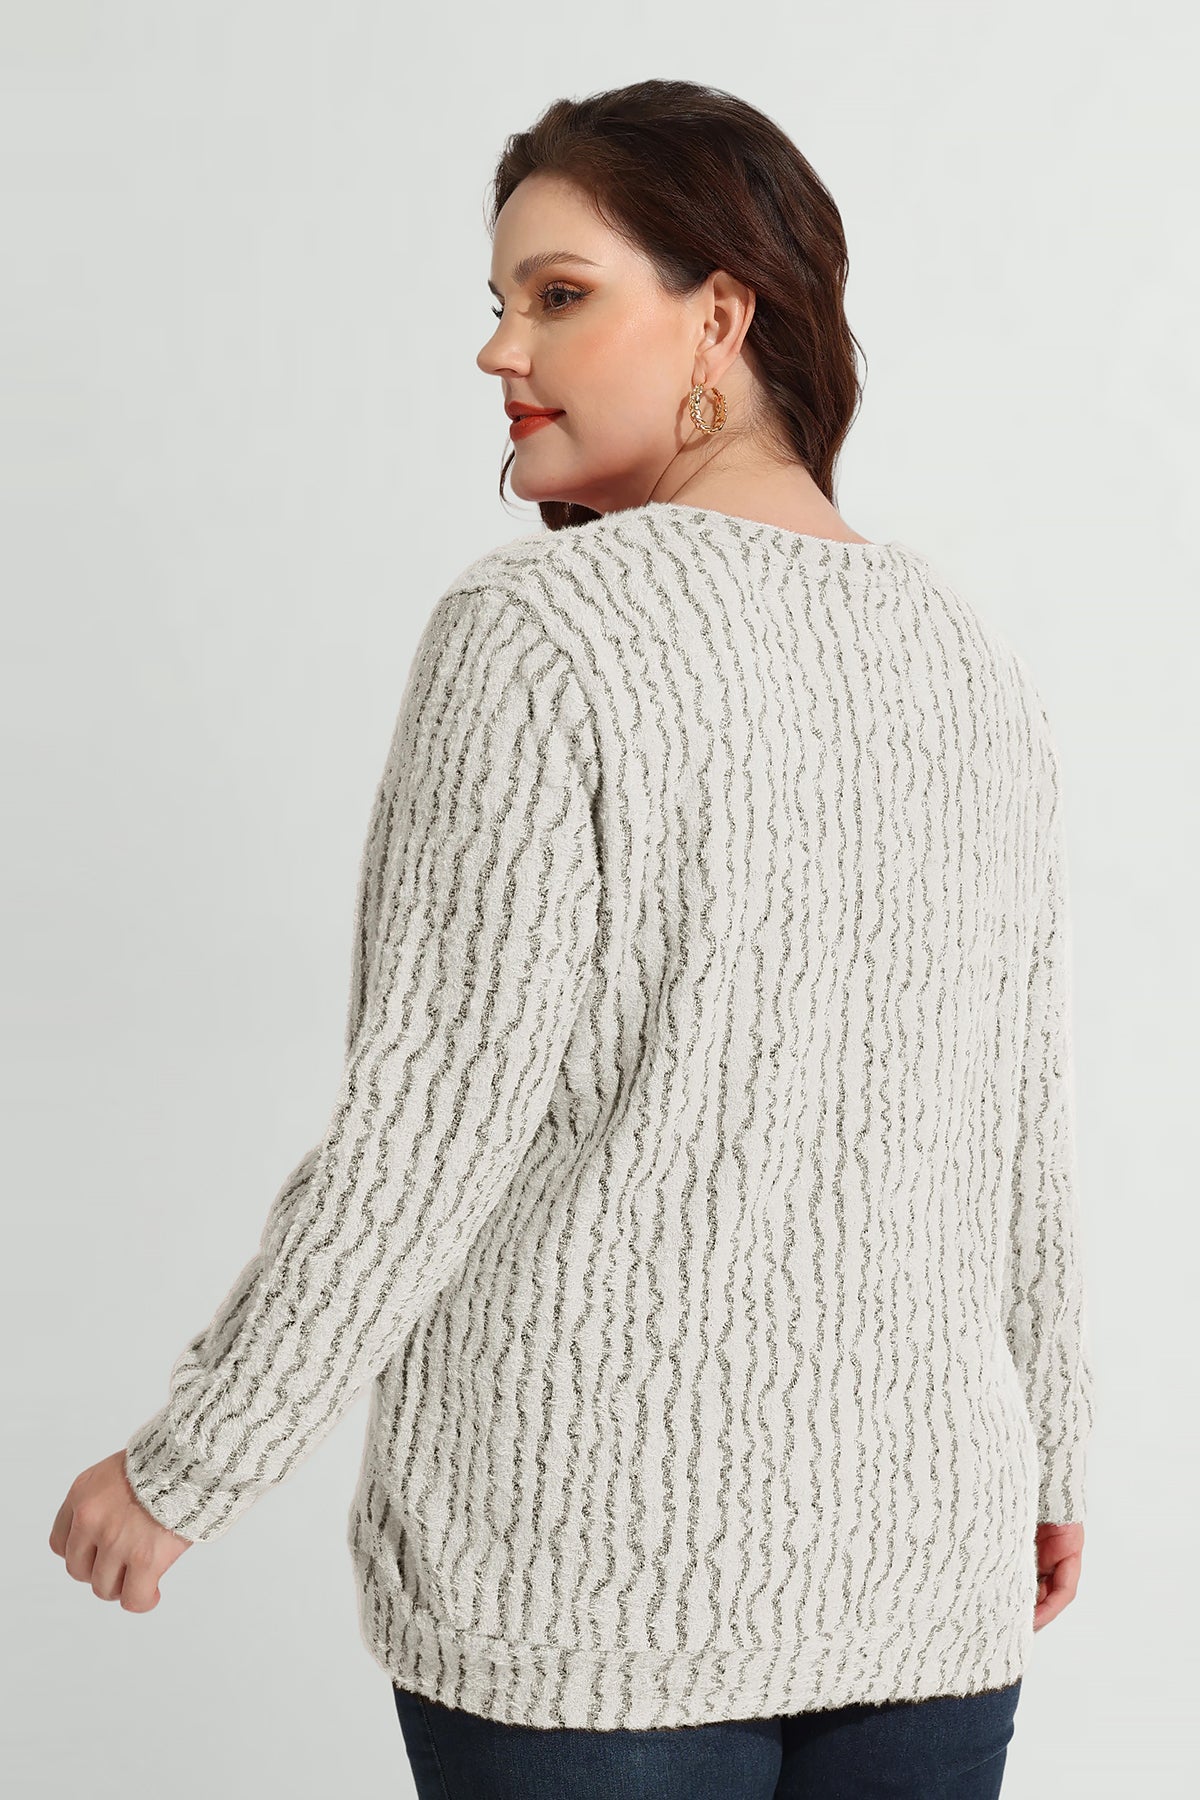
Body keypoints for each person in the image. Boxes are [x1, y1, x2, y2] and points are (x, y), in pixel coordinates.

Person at [51, 77, 1094, 1799]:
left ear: (723, 318)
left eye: (558, 295)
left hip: (592, 1595)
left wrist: (189, 1465)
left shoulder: (542, 634)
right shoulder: (962, 654)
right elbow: (1021, 1124)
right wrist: (1049, 1453)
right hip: (930, 1568)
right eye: (499, 301)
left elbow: (425, 1131)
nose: (499, 349)